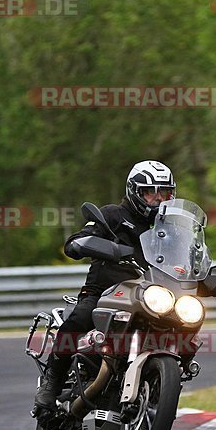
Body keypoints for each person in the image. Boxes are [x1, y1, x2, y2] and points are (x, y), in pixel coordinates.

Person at [33, 160, 176, 412]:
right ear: (134, 191)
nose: (157, 199)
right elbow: (75, 241)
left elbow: (187, 257)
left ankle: (161, 384)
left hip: (151, 297)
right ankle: (53, 380)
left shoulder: (170, 228)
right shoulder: (112, 215)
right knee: (79, 318)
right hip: (105, 293)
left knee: (185, 321)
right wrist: (94, 245)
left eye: (163, 192)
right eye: (150, 192)